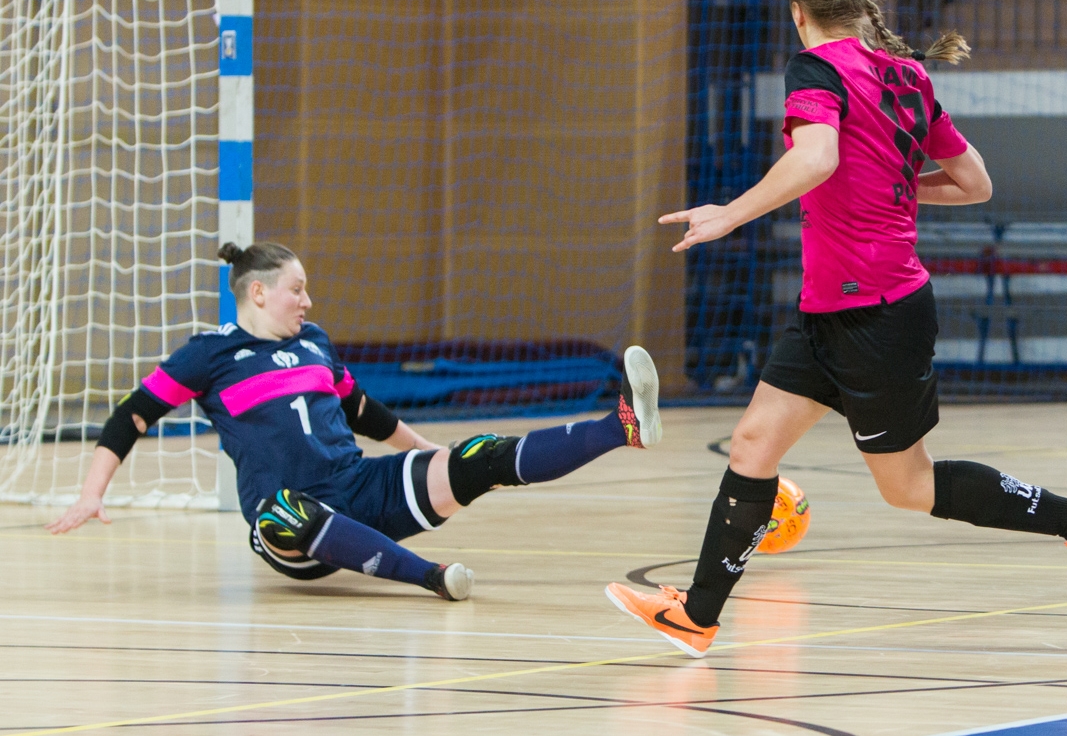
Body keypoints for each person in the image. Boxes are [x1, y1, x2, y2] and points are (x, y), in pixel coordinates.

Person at [604, 0, 1067, 658]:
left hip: (879, 311)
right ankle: (698, 613)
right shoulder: (905, 74)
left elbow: (817, 157)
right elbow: (975, 183)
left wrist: (728, 213)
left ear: (798, 13)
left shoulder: (815, 67)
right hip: (830, 310)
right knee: (753, 442)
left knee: (908, 486)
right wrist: (895, 191)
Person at [47, 241, 663, 601]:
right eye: (297, 289)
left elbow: (364, 412)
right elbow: (133, 415)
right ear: (258, 292)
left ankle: (621, 425)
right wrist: (91, 493)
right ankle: (431, 578)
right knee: (283, 510)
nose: (307, 302)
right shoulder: (209, 353)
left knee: (478, 456)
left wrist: (429, 454)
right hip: (287, 521)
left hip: (357, 488)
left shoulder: (315, 342)